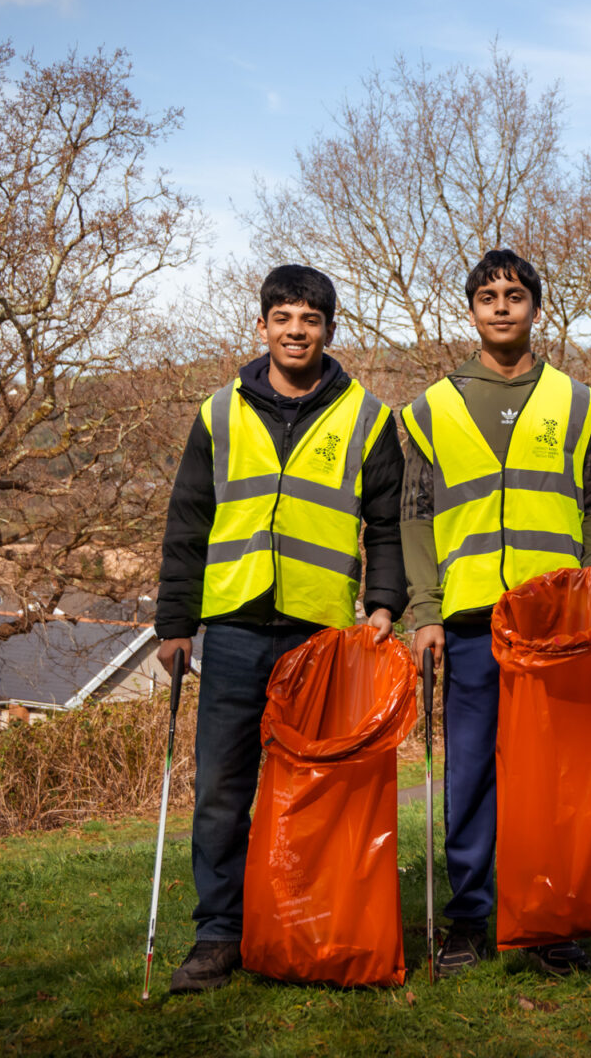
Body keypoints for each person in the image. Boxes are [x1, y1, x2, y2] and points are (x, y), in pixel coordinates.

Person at [153, 264, 405, 994]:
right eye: (284, 317)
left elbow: (385, 525)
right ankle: (217, 936)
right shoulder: (218, 413)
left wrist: (383, 603)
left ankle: (303, 923)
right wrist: (176, 623)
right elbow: (187, 524)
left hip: (320, 630)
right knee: (223, 789)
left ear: (330, 329)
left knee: (314, 790)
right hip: (231, 625)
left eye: (312, 319)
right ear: (261, 326)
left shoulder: (368, 416)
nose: (297, 331)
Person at [390, 248, 591, 979]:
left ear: (535, 308)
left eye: (514, 294)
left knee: (550, 775)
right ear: (470, 310)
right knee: (471, 775)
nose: (501, 305)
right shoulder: (431, 408)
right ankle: (469, 918)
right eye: (487, 295)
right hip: (466, 623)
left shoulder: (579, 402)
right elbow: (415, 517)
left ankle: (547, 918)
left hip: (555, 621)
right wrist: (422, 610)